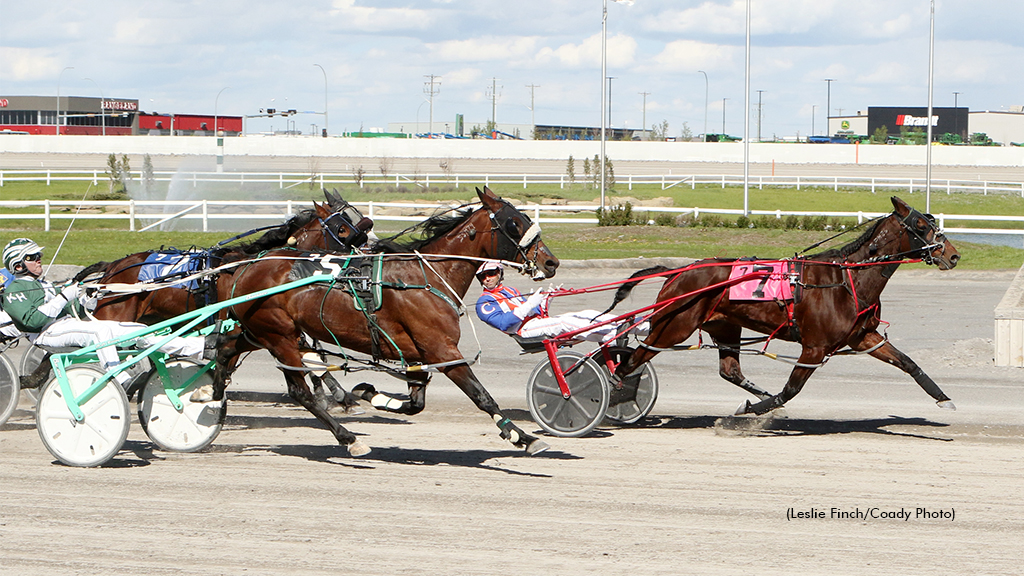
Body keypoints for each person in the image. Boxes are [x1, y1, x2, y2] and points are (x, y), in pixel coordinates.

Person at [1, 238, 218, 388]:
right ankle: (120, 378)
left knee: (137, 329)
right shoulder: (14, 291)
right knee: (100, 332)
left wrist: (88, 299)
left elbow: (72, 310)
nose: (39, 258)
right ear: (18, 265)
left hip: (66, 326)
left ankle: (199, 348)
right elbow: (34, 321)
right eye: (32, 256)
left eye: (38, 255)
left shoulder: (45, 285)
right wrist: (65, 296)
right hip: (46, 335)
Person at [474, 260, 647, 343]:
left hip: (537, 323)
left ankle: (643, 326)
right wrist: (529, 304)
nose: (487, 278)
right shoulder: (484, 303)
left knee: (587, 314)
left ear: (499, 273)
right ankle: (616, 335)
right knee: (565, 322)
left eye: (491, 273)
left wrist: (546, 300)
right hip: (524, 331)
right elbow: (504, 324)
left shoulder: (510, 290)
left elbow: (538, 314)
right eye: (483, 276)